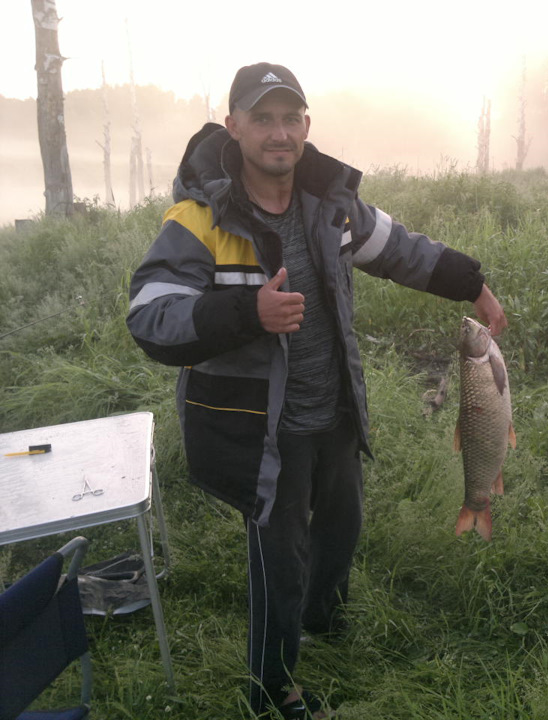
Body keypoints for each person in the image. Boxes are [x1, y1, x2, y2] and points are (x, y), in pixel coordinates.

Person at [126, 62, 507, 719]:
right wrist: (248, 314)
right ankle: (272, 689)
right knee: (279, 563)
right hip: (261, 429)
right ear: (234, 125)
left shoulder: (330, 205)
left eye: (290, 118)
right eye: (263, 118)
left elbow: (400, 250)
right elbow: (150, 316)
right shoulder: (200, 218)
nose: (279, 133)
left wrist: (471, 283)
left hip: (332, 410)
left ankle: (322, 618)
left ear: (306, 126)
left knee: (342, 528)